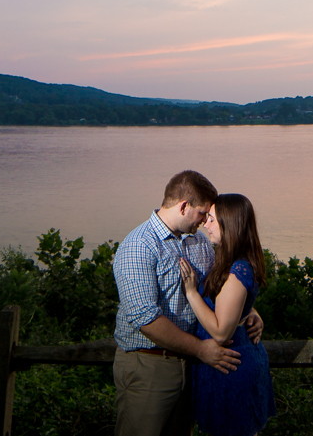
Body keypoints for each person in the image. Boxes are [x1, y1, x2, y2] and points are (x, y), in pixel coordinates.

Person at [112, 170, 262, 436]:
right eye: (203, 213)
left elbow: (224, 290)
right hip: (150, 365)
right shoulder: (139, 246)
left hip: (193, 366)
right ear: (183, 206)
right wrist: (201, 350)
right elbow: (146, 320)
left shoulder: (199, 242)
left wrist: (248, 310)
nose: (205, 222)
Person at [178, 193, 275, 436]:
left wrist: (191, 293)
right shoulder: (228, 260)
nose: (205, 224)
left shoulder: (238, 267)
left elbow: (221, 332)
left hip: (231, 366)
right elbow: (234, 303)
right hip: (223, 364)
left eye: (211, 219)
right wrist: (250, 311)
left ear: (229, 225)